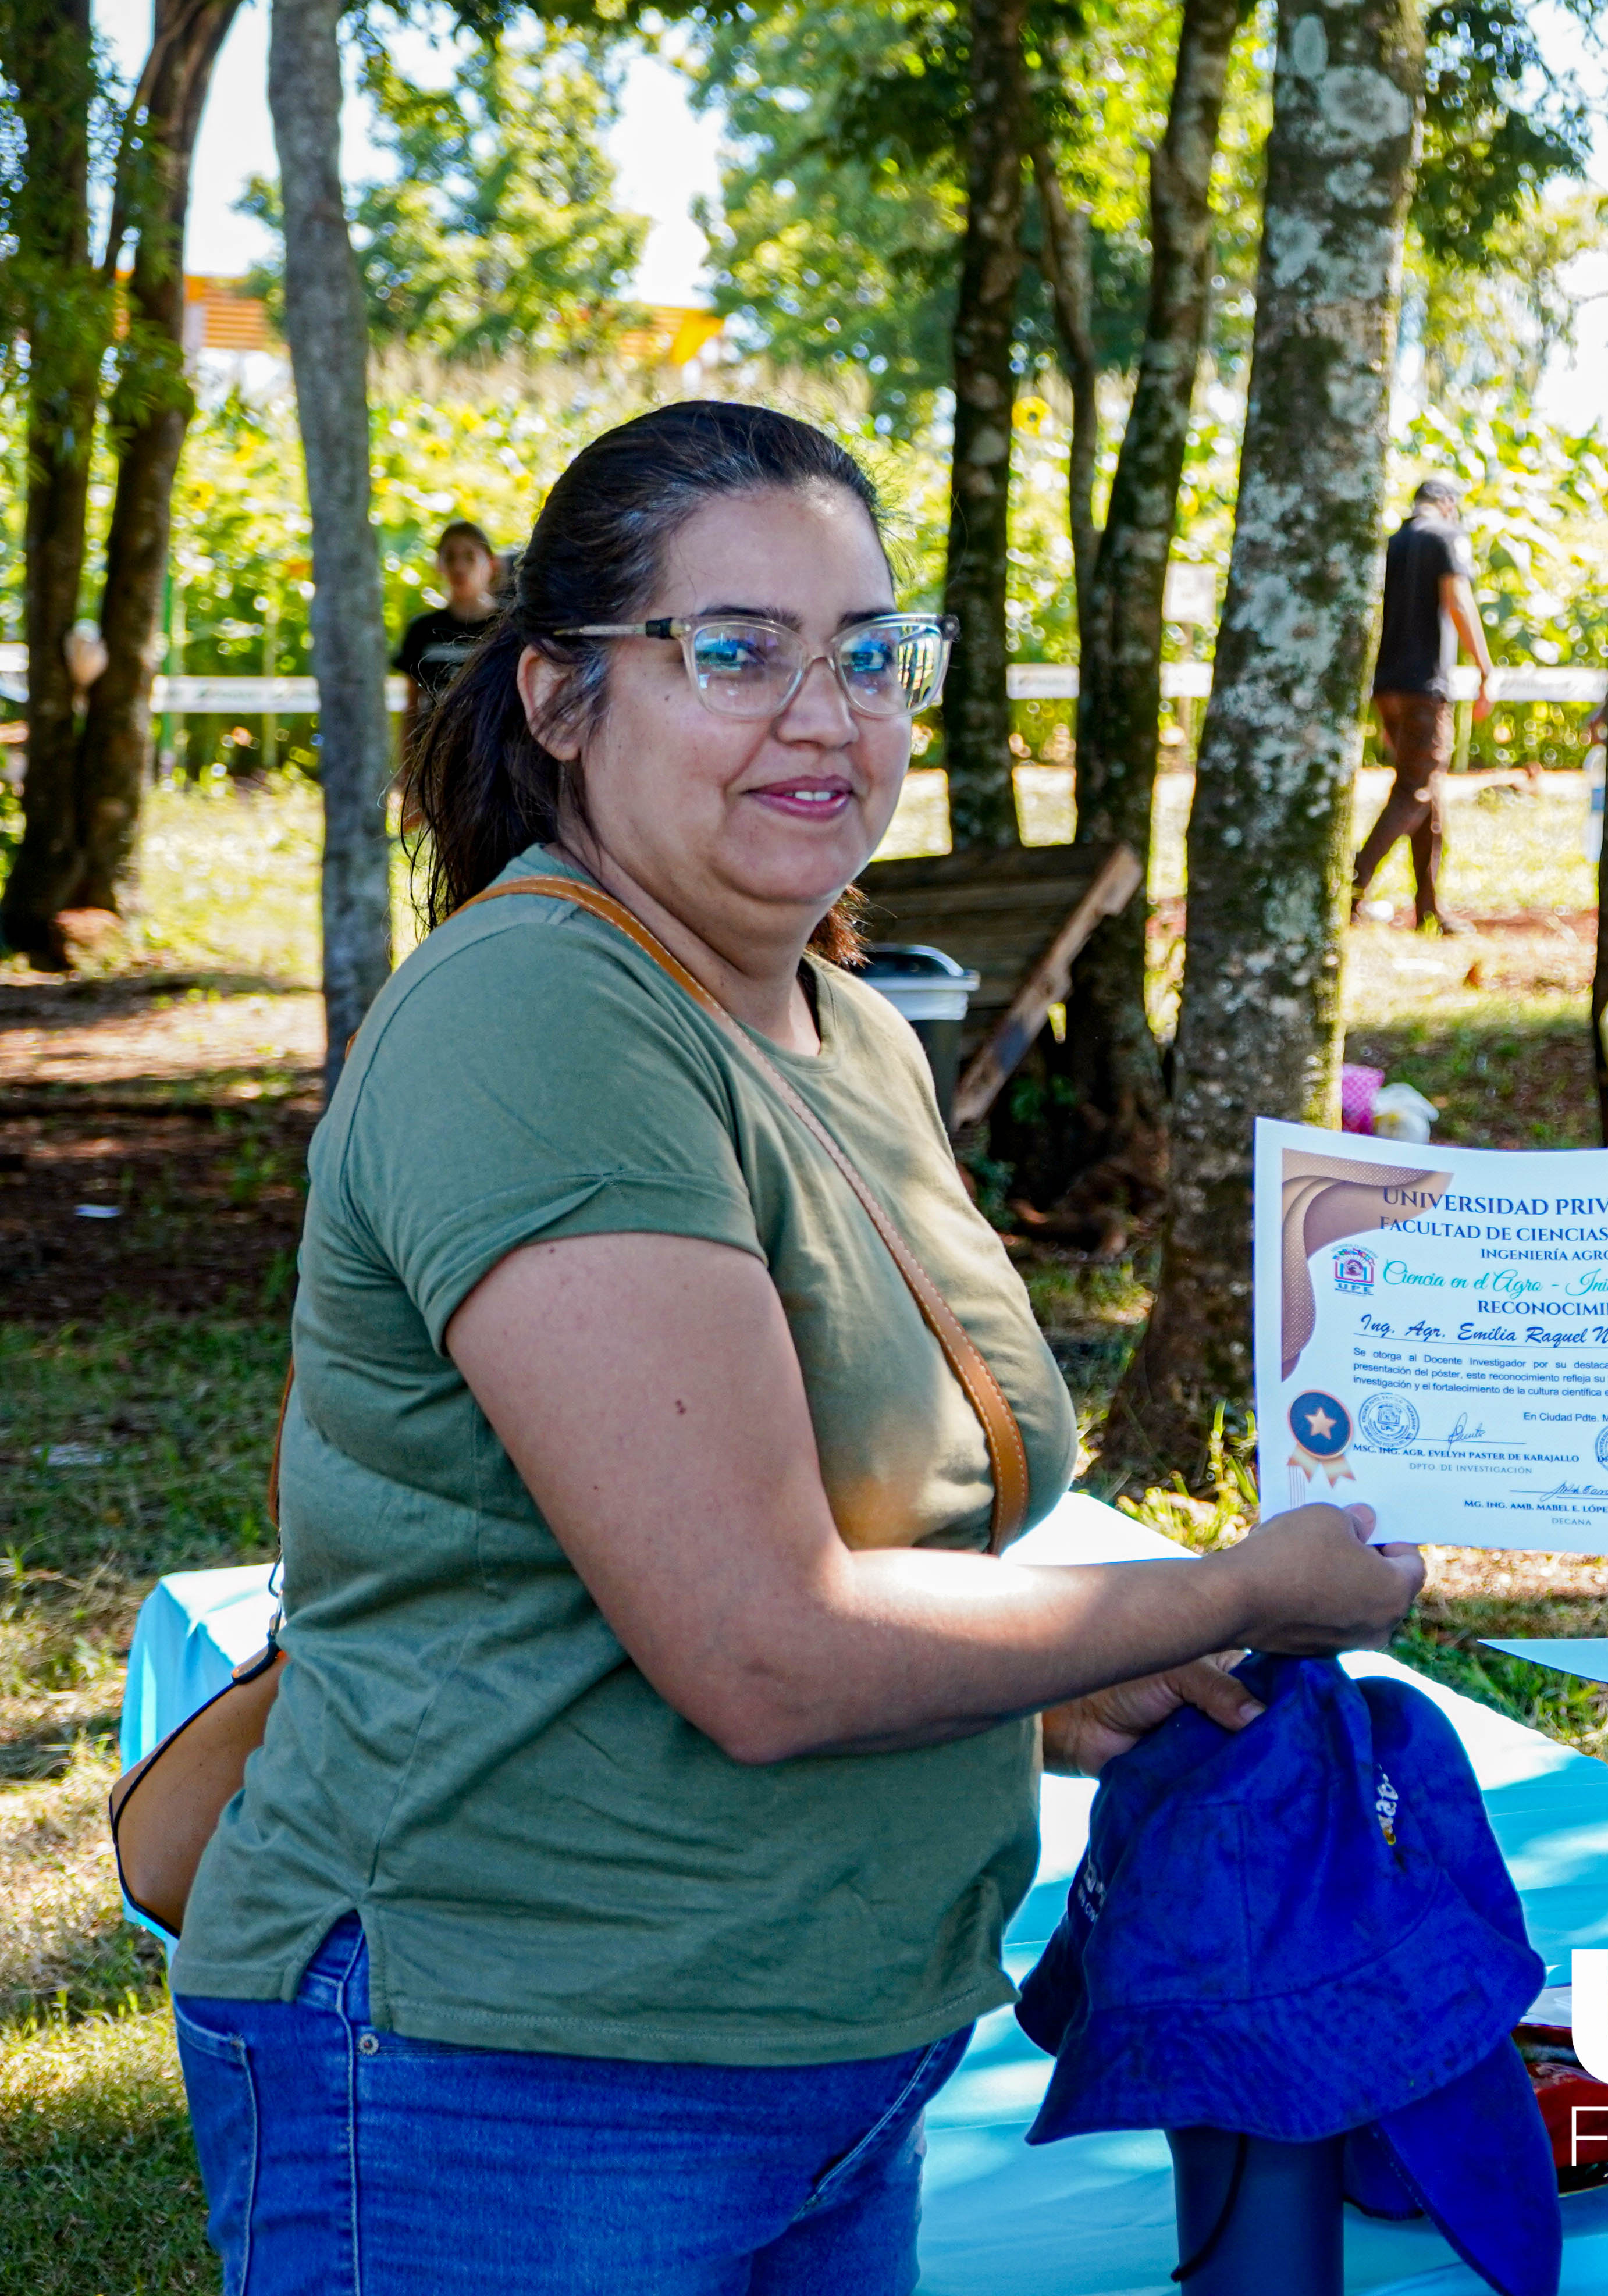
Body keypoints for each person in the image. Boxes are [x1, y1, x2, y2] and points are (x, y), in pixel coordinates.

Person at [166, 402, 1424, 2295]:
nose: (826, 715)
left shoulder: (851, 1034)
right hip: (510, 2075)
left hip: (816, 2058)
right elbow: (761, 1645)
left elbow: (862, 1548)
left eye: (870, 653)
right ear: (562, 700)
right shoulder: (540, 1013)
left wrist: (1046, 1696)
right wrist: (1229, 1588)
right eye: (737, 651)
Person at [1356, 476, 1497, 934]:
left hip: (1388, 685)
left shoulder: (1392, 543)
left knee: (1427, 793)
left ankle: (1430, 908)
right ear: (1448, 505)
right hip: (1423, 686)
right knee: (1415, 789)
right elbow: (1457, 598)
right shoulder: (1447, 536)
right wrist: (1486, 669)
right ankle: (1350, 885)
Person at [393, 519, 503, 729]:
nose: (459, 567)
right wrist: (409, 761)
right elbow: (411, 709)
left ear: (491, 564)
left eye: (470, 557)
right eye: (450, 557)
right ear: (439, 565)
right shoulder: (422, 630)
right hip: (436, 757)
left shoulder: (509, 628)